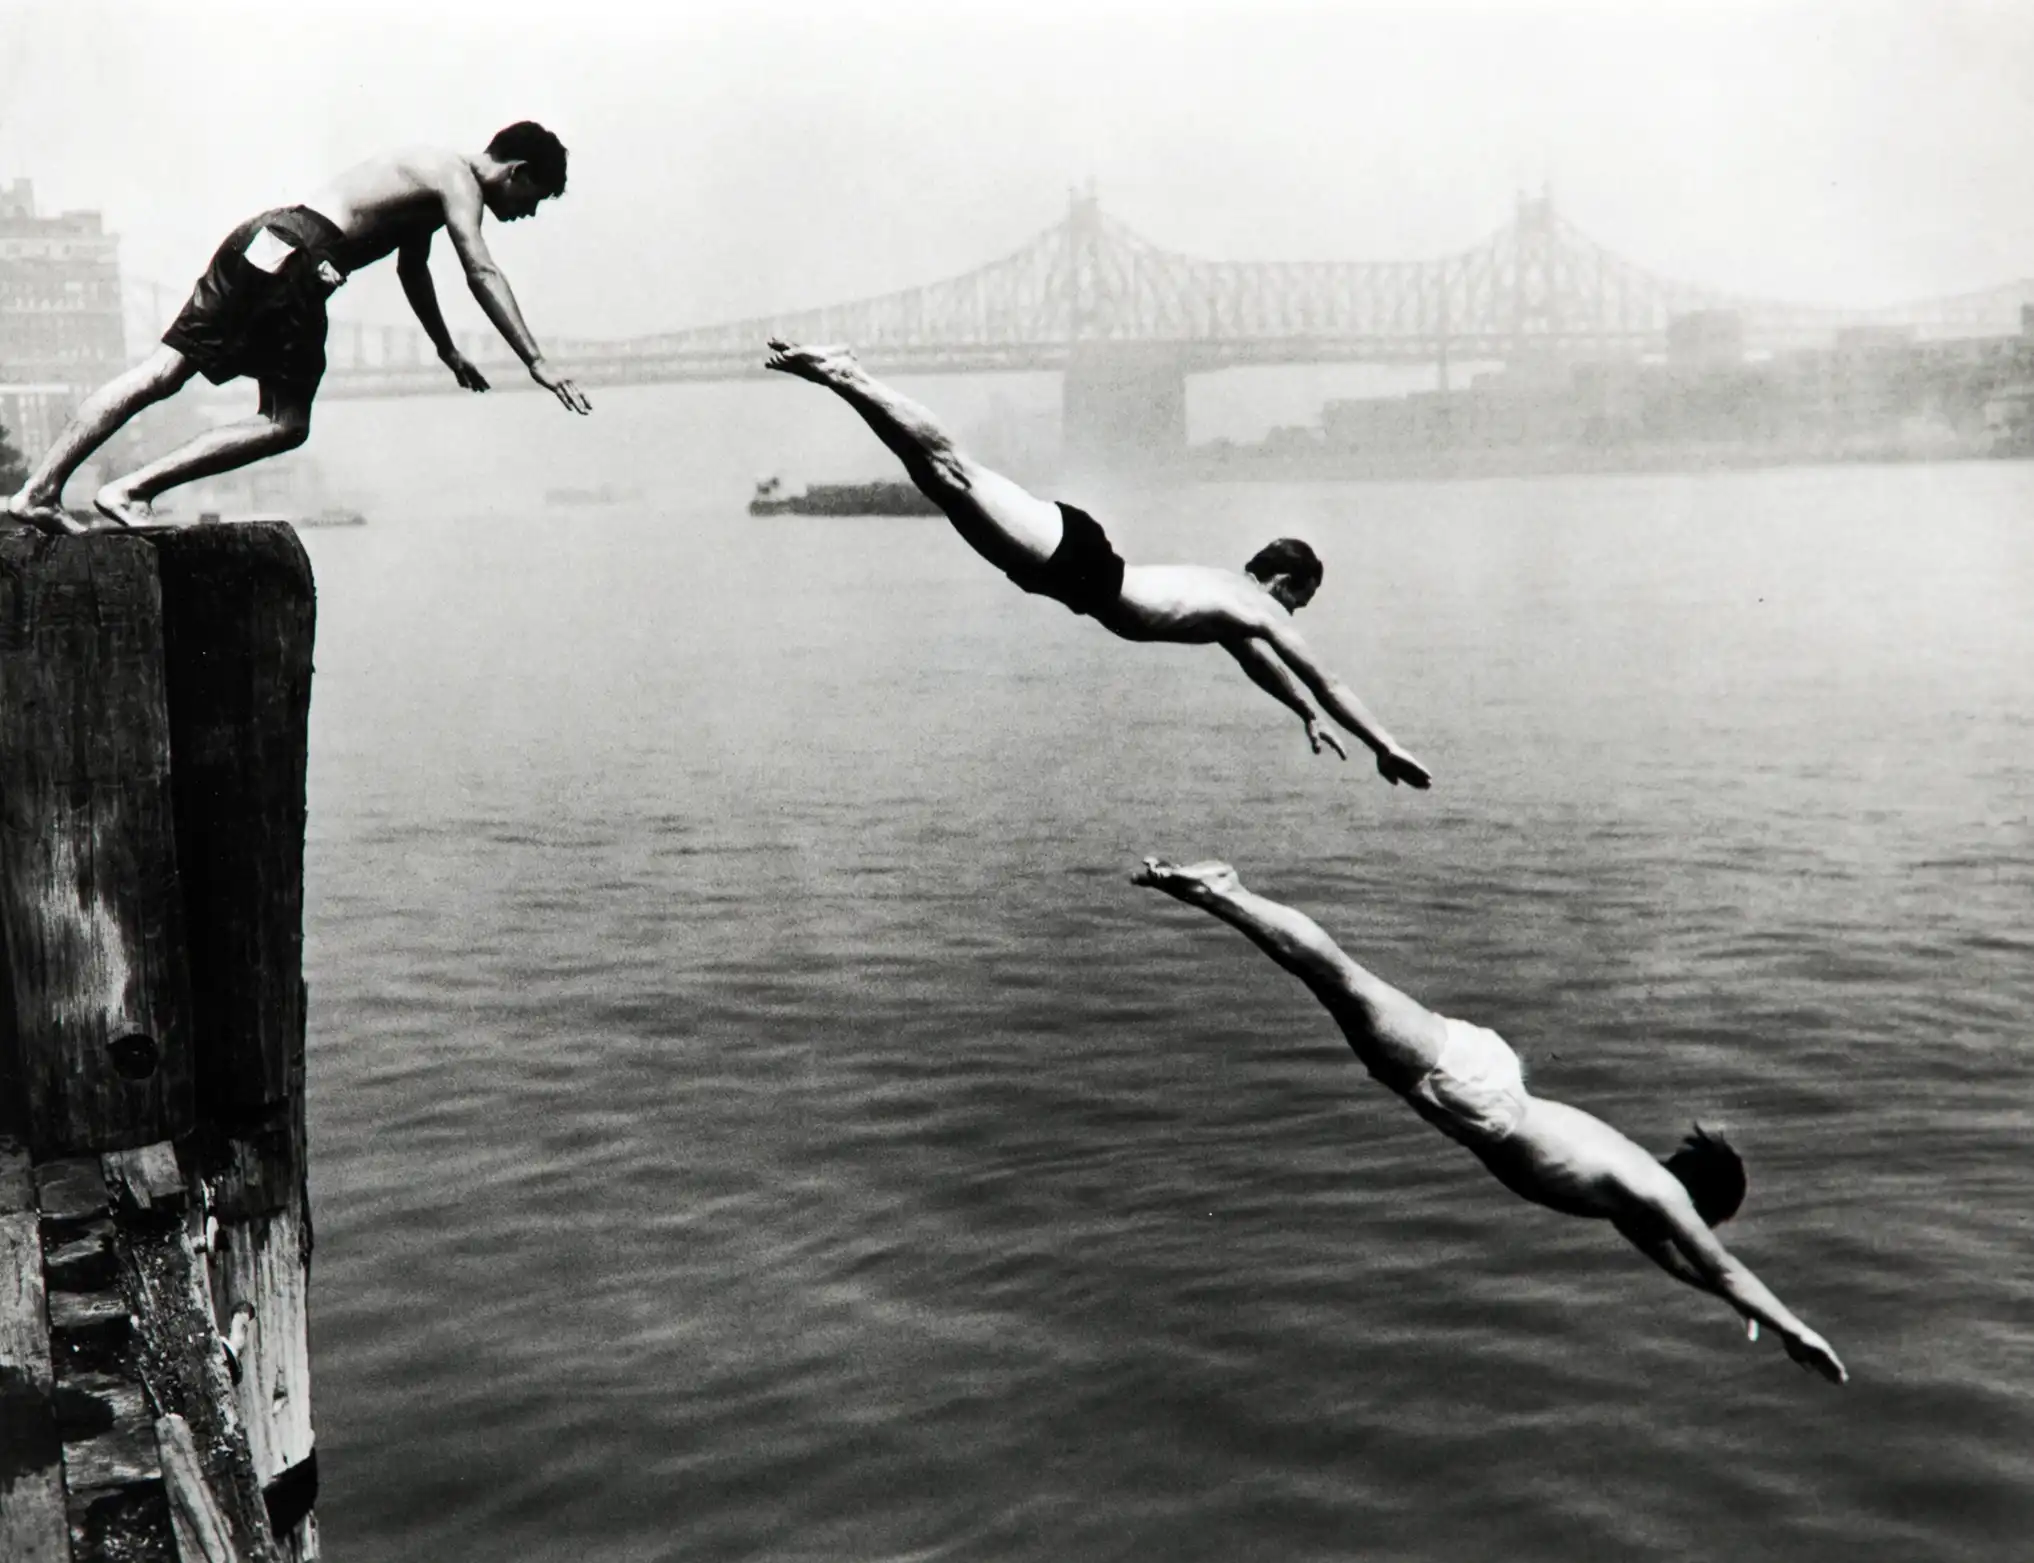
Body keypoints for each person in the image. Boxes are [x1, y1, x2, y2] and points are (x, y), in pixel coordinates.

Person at [1132, 856, 1847, 1383]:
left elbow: (1684, 1264)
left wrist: (1732, 1305)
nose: (1698, 1235)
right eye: (1706, 1222)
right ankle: (1224, 890)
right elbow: (1720, 1267)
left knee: (1341, 989)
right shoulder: (1654, 1198)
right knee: (1339, 980)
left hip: (1484, 1083)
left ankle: (1223, 895)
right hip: (1476, 1093)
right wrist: (1797, 1328)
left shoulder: (1636, 1198)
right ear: (1698, 1203)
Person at [765, 340, 1430, 786]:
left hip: (1070, 571)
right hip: (1083, 566)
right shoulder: (1254, 605)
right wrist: (1381, 742)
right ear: (1284, 581)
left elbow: (1267, 666)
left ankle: (846, 377)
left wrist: (1301, 715)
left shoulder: (1234, 607)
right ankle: (845, 374)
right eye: (1299, 602)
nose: (1293, 615)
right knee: (951, 473)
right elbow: (1328, 676)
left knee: (941, 481)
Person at [6, 122, 592, 534]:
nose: (527, 214)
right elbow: (480, 267)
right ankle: (131, 490)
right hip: (306, 258)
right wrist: (537, 363)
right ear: (517, 172)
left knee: (160, 373)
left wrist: (445, 350)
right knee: (286, 424)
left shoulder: (428, 174)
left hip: (265, 235)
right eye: (533, 200)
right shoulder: (458, 182)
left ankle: (37, 491)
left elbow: (413, 268)